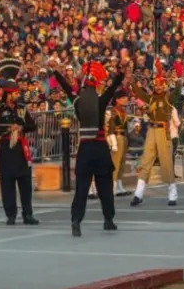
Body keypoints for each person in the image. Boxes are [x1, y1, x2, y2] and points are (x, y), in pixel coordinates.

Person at [51, 60, 125, 237]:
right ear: (96, 86)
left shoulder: (78, 102)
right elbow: (112, 88)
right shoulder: (100, 101)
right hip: (100, 148)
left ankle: (76, 220)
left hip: (85, 148)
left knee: (82, 188)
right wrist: (120, 74)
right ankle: (108, 220)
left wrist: (56, 73)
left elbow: (67, 89)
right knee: (105, 187)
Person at [0, 58, 39, 226]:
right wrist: (8, 128)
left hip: (20, 148)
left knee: (25, 184)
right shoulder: (0, 110)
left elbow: (32, 126)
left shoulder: (21, 108)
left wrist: (21, 126)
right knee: (7, 184)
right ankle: (10, 214)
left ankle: (28, 214)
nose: (17, 95)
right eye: (14, 93)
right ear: (8, 94)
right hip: (7, 148)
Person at [130, 63, 180, 207]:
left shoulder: (167, 98)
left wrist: (177, 81)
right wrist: (134, 82)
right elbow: (140, 94)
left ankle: (172, 195)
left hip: (163, 131)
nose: (157, 87)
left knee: (166, 162)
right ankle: (138, 194)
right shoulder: (151, 98)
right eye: (156, 85)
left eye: (160, 85)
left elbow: (177, 92)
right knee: (146, 161)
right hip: (151, 130)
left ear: (164, 86)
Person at [107, 88, 131, 196]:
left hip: (124, 137)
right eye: (123, 98)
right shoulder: (114, 111)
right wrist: (113, 143)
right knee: (116, 163)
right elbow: (111, 128)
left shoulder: (123, 111)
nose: (126, 99)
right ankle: (113, 186)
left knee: (122, 162)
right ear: (117, 99)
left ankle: (120, 185)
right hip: (117, 137)